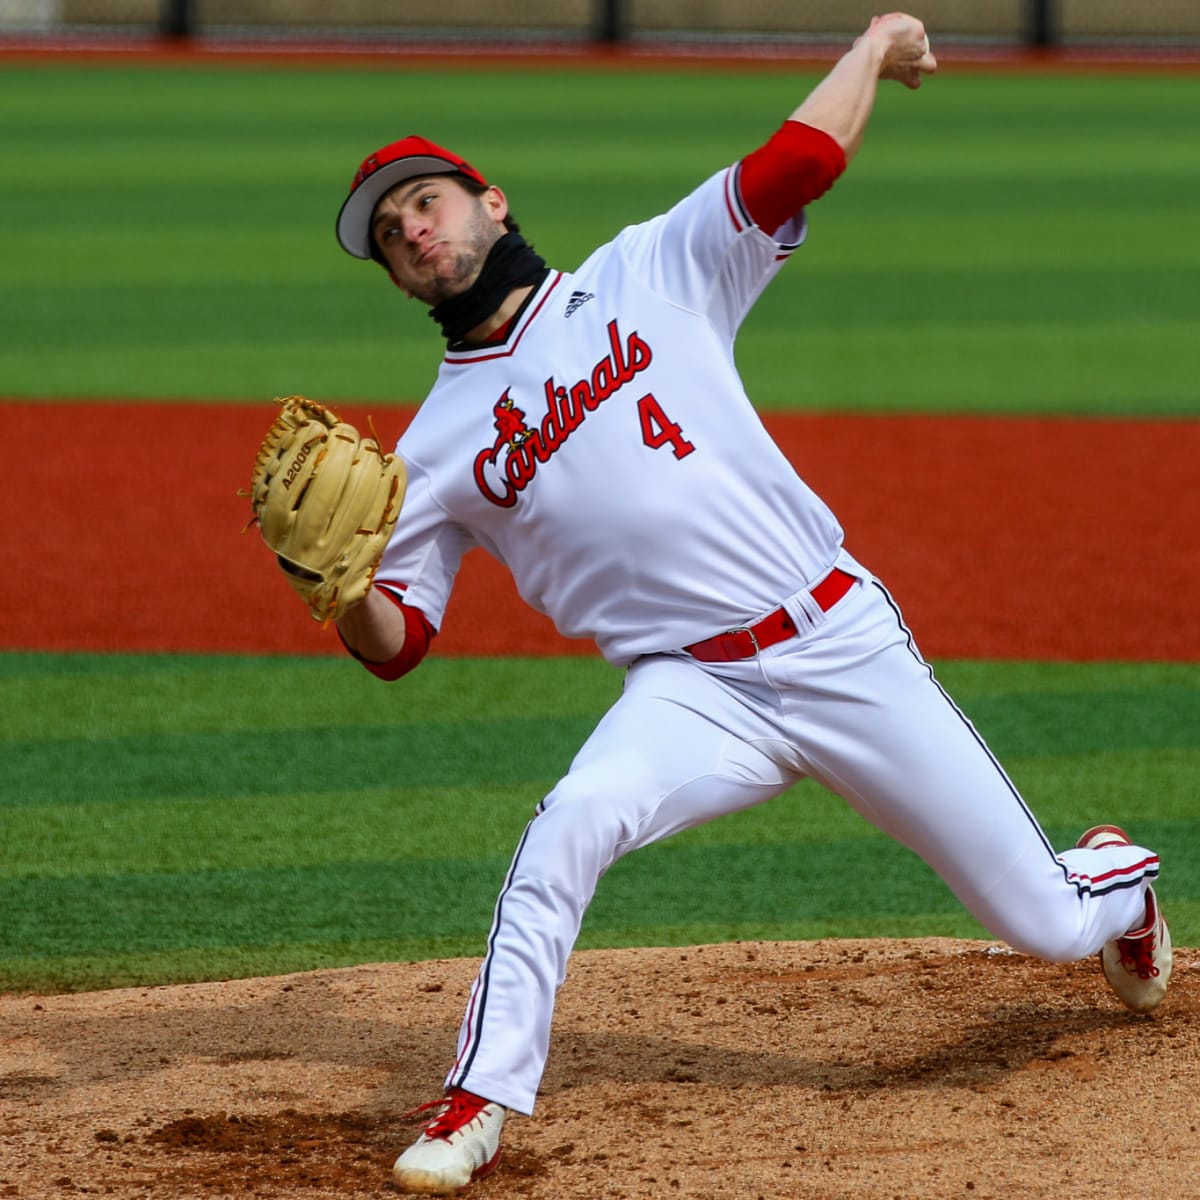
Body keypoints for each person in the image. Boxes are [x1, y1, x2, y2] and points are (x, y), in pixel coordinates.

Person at [326, 14, 1171, 1195]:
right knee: (569, 823)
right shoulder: (429, 452)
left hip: (835, 640)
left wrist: (876, 44)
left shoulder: (648, 266)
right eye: (388, 232)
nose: (412, 229)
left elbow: (796, 165)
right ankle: (478, 1101)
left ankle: (1118, 879)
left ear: (491, 204)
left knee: (1043, 922)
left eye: (426, 201)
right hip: (690, 689)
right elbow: (398, 644)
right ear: (391, 271)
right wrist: (343, 592)